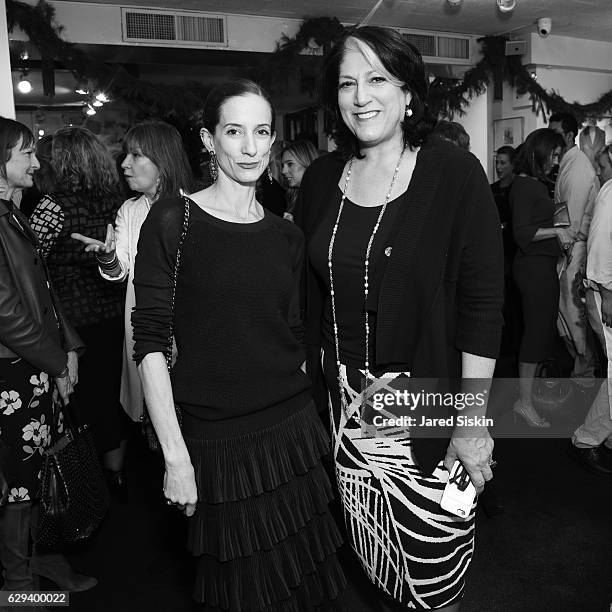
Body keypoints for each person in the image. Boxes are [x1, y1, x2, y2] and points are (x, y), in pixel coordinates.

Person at [295, 27, 503, 610]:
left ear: (409, 91)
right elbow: (306, 299)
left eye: (378, 79)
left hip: (430, 412)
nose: (361, 95)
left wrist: (470, 422)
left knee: (432, 576)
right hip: (343, 416)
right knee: (377, 565)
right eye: (347, 83)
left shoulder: (454, 174)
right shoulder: (319, 180)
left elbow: (483, 308)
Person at [132, 79, 346, 610]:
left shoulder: (287, 236)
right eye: (234, 132)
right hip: (216, 442)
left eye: (262, 132)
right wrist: (176, 457)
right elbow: (150, 343)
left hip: (293, 431)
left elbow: (293, 335)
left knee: (305, 579)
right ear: (208, 140)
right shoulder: (173, 221)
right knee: (246, 592)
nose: (250, 148)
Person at [0, 117, 95, 595]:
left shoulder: (13, 210)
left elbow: (44, 290)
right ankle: (18, 587)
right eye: (26, 154)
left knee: (40, 470)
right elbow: (7, 313)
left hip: (34, 365)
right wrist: (58, 361)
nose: (37, 162)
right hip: (13, 372)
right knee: (19, 482)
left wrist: (70, 346)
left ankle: (43, 562)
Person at [71, 120, 193, 441]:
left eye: (135, 156)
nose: (124, 164)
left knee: (190, 413)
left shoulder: (195, 208)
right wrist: (107, 256)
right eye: (126, 155)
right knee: (153, 415)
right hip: (144, 323)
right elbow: (120, 270)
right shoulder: (130, 209)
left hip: (187, 326)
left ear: (162, 160)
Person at [29, 127, 126, 479]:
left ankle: (82, 483)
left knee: (76, 402)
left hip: (71, 318)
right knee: (110, 392)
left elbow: (29, 260)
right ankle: (115, 474)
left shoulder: (52, 205)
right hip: (112, 310)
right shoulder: (115, 200)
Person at [510, 128, 569, 427]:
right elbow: (522, 234)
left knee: (541, 332)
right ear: (540, 152)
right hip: (532, 268)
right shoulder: (524, 186)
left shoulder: (535, 183)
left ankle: (529, 396)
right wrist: (558, 231)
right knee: (535, 335)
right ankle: (524, 402)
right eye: (554, 154)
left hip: (542, 267)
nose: (556, 160)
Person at [569, 145, 612, 475]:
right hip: (607, 295)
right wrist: (609, 299)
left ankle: (594, 437)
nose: (599, 174)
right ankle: (587, 438)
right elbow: (598, 250)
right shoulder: (610, 194)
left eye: (601, 166)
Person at [549, 112, 600, 386]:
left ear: (569, 136)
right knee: (565, 316)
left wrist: (563, 247)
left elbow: (572, 219)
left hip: (574, 250)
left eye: (556, 133)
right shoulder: (568, 163)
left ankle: (585, 377)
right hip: (567, 249)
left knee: (574, 315)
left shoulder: (578, 167)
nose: (551, 139)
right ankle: (581, 374)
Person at [280, 139, 320, 221]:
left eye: (290, 164)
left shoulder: (320, 199)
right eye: (282, 165)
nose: (283, 171)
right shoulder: (294, 197)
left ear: (307, 162)